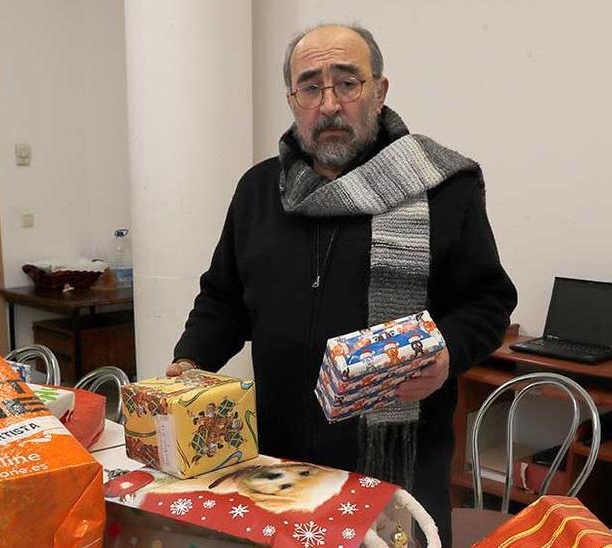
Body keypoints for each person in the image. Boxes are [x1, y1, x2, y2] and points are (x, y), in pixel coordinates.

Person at [169, 23, 517, 542]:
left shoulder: (444, 187)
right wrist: (189, 363)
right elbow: (224, 299)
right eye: (310, 86)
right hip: (277, 466)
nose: (329, 103)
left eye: (347, 82)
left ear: (379, 91)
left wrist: (446, 351)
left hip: (398, 468)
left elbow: (489, 302)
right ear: (292, 99)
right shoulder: (259, 190)